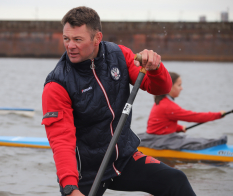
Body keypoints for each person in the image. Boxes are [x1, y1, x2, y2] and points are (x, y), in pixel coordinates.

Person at [42, 6, 196, 196]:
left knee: (175, 180)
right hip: (86, 171)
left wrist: (156, 68)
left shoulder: (118, 55)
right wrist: (69, 187)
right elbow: (61, 139)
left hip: (123, 158)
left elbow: (160, 88)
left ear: (97, 38)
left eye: (77, 39)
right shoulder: (57, 83)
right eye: (66, 39)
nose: (70, 45)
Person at [139, 72, 226, 150]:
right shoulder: (168, 106)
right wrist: (218, 115)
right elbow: (194, 117)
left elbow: (160, 125)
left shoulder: (160, 101)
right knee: (199, 141)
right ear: (170, 87)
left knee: (192, 140)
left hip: (157, 138)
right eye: (179, 85)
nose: (181, 88)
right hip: (161, 140)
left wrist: (179, 128)